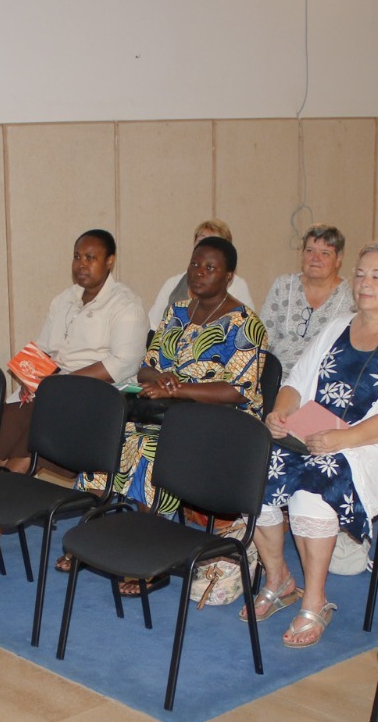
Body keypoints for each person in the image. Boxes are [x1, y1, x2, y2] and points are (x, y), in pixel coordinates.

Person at [246, 242, 378, 647]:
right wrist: (282, 413)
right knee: (258, 469)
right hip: (320, 432)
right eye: (359, 274)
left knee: (313, 484)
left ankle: (315, 602)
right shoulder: (338, 326)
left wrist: (344, 438)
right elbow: (296, 383)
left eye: (376, 276)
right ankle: (279, 578)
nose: (363, 283)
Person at [91, 236, 264, 558]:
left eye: (210, 267)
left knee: (151, 449)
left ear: (229, 277)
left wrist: (178, 389)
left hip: (220, 422)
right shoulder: (176, 312)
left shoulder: (245, 324)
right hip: (166, 413)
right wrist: (162, 378)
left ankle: (152, 552)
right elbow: (145, 370)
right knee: (109, 441)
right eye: (195, 264)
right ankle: (94, 534)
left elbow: (239, 391)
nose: (198, 272)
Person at [0, 229, 145, 474]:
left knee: (22, 452)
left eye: (90, 258)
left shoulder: (126, 305)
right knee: (1, 435)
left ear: (109, 261)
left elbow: (123, 364)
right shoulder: (65, 299)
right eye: (77, 257)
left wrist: (61, 383)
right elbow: (43, 348)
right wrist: (28, 377)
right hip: (52, 387)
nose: (81, 265)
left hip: (96, 393)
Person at [259, 225, 354, 372]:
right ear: (302, 254)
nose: (316, 258)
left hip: (322, 379)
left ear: (338, 259)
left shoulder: (352, 296)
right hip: (277, 377)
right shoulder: (283, 285)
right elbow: (263, 338)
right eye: (310, 251)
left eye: (325, 253)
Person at [148, 219, 254, 329]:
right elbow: (153, 325)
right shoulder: (173, 286)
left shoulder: (239, 287)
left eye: (213, 242)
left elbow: (246, 327)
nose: (205, 248)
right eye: (201, 241)